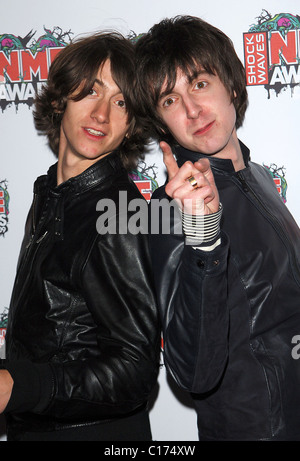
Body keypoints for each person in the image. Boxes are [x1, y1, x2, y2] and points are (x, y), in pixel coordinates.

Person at [135, 15, 300, 441]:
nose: (191, 110)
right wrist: (203, 235)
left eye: (200, 83)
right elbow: (194, 372)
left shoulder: (259, 175)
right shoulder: (171, 208)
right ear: (161, 123)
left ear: (230, 83)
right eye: (169, 100)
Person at [0, 32, 160, 441]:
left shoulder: (121, 214)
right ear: (60, 100)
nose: (102, 114)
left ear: (131, 126)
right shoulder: (51, 195)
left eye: (121, 102)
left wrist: (22, 387)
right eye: (91, 91)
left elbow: (134, 371)